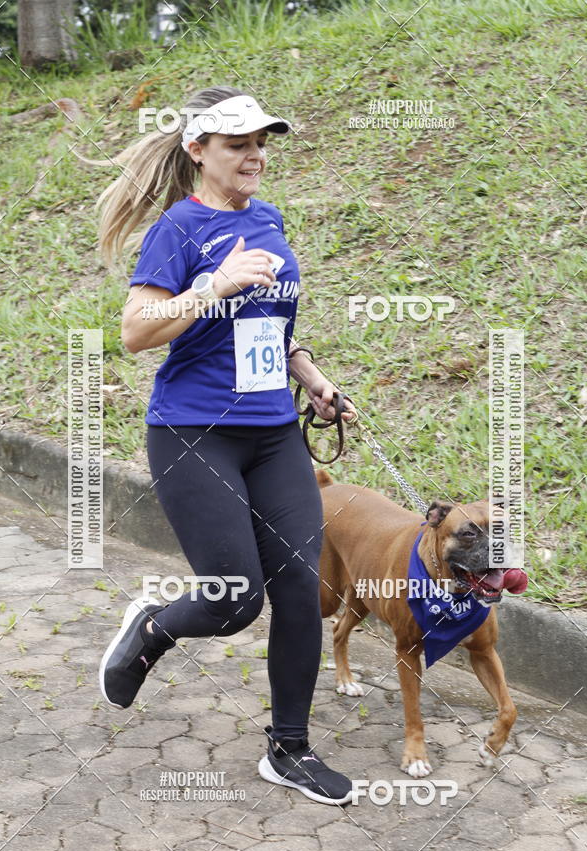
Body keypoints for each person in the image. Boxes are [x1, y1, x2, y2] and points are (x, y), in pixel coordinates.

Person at [96, 86, 357, 806]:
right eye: (238, 144)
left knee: (303, 588)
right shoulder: (178, 230)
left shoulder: (267, 219)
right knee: (234, 597)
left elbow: (268, 323)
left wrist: (310, 375)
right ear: (198, 151)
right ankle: (153, 627)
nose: (255, 156)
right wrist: (214, 282)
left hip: (273, 433)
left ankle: (290, 748)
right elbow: (136, 332)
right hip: (193, 432)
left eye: (262, 142)